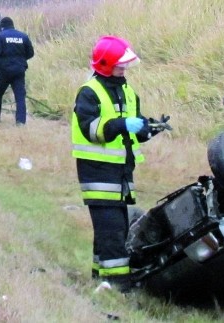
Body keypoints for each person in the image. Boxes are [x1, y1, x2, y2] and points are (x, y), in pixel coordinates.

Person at [72, 35, 165, 291]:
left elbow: (134, 129)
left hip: (122, 172)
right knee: (112, 230)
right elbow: (91, 129)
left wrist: (151, 128)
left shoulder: (127, 92)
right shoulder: (89, 92)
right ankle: (118, 284)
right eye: (119, 65)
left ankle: (100, 276)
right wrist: (120, 124)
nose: (123, 69)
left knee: (112, 228)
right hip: (97, 173)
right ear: (105, 64)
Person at [0, 16, 34, 126]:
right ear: (12, 25)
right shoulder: (23, 36)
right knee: (20, 96)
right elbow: (30, 53)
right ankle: (20, 122)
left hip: (4, 72)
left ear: (2, 27)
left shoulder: (0, 36)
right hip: (19, 71)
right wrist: (21, 60)